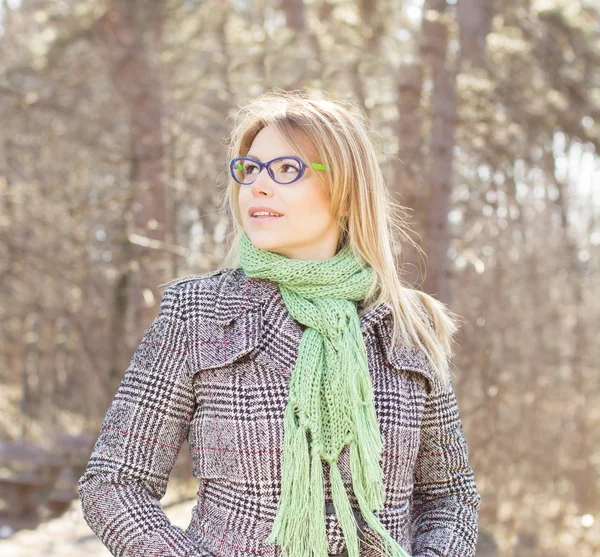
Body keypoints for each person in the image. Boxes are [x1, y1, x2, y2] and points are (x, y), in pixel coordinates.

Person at [79, 89, 481, 557]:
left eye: (287, 169)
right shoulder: (198, 312)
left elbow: (450, 496)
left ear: (347, 191)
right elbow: (113, 482)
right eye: (250, 169)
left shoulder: (411, 325)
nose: (258, 185)